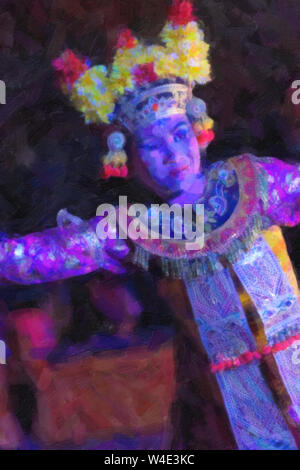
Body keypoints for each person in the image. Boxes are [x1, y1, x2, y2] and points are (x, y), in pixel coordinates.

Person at [0, 0, 300, 450]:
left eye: (180, 135)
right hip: (224, 410)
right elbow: (34, 258)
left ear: (197, 130)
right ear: (131, 162)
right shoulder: (136, 228)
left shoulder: (254, 180)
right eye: (153, 146)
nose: (173, 155)